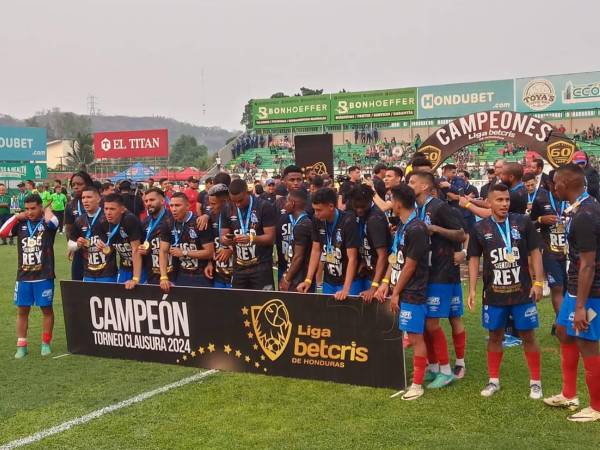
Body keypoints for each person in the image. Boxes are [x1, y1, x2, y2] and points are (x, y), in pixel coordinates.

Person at [467, 183, 544, 399]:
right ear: (489, 202)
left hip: (523, 292)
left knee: (528, 335)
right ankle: (493, 381)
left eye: (507, 200)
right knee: (495, 336)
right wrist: (472, 289)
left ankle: (536, 382)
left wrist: (538, 282)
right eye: (499, 200)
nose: (504, 204)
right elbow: (474, 259)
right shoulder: (480, 228)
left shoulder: (523, 222)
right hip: (494, 294)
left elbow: (535, 252)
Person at [545, 163, 600, 422]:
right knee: (564, 333)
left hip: (590, 292)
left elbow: (589, 263)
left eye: (555, 182)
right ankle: (569, 394)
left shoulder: (586, 214)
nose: (553, 186)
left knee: (587, 343)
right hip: (575, 286)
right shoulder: (580, 208)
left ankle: (597, 407)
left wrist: (580, 306)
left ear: (564, 184)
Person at [409, 171, 467, 385]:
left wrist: (435, 228)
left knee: (434, 322)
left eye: (412, 182)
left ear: (424, 187)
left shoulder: (439, 207)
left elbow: (461, 234)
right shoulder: (416, 208)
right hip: (428, 272)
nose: (409, 184)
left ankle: (448, 368)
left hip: (443, 272)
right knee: (426, 323)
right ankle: (434, 367)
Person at [377, 184, 430, 401]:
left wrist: (396, 292)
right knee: (409, 334)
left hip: (413, 290)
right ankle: (413, 377)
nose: (390, 204)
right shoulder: (403, 225)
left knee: (416, 337)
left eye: (391, 200)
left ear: (398, 204)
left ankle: (417, 384)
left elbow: (410, 265)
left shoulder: (417, 228)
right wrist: (385, 282)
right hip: (402, 287)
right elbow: (395, 258)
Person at [0, 194, 58, 358]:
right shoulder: (22, 223)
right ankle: (21, 345)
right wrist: (17, 216)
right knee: (22, 310)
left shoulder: (47, 223)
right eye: (27, 209)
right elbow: (2, 233)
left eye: (33, 208)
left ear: (40, 207)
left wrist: (47, 211)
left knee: (46, 309)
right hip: (24, 276)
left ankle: (45, 343)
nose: (30, 212)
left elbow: (53, 222)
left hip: (44, 275)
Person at [297, 188, 360, 299]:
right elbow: (316, 250)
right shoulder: (317, 220)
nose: (316, 214)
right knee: (329, 315)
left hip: (349, 281)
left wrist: (346, 289)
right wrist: (308, 280)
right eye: (314, 210)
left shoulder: (348, 220)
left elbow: (352, 258)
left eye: (319, 210)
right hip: (329, 281)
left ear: (331, 206)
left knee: (348, 314)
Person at [220, 179, 277, 290]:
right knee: (239, 305)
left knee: (264, 303)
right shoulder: (227, 208)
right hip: (239, 267)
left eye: (240, 200)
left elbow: (271, 238)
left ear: (247, 192)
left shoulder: (264, 206)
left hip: (261, 267)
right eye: (234, 201)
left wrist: (251, 238)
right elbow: (223, 236)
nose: (237, 204)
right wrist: (226, 240)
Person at [159, 193, 214, 290]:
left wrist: (184, 252)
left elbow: (209, 252)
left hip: (201, 274)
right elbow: (163, 251)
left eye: (177, 205)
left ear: (187, 206)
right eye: (171, 206)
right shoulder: (167, 223)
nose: (174, 209)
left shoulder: (199, 222)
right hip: (180, 274)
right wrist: (163, 277)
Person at [347, 184, 390, 302]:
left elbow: (383, 256)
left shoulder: (375, 220)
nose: (359, 210)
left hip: (378, 276)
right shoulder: (358, 215)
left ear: (370, 201)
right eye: (356, 206)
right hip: (367, 272)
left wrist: (374, 287)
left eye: (362, 206)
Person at [68, 186, 118, 282]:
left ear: (99, 199)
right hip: (88, 274)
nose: (85, 200)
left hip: (107, 273)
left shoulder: (108, 217)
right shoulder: (79, 220)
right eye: (83, 198)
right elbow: (70, 244)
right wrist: (77, 244)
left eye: (89, 197)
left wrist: (108, 247)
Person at [98, 193, 144, 288]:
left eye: (112, 209)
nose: (108, 212)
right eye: (106, 209)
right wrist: (105, 249)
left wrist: (135, 278)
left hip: (142, 267)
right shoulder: (104, 223)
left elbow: (136, 249)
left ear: (123, 209)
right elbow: (111, 250)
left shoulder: (129, 220)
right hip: (124, 267)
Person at [277, 189, 314, 292]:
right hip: (296, 276)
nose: (285, 204)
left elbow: (298, 257)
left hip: (299, 279)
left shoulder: (303, 225)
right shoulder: (299, 222)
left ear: (292, 203)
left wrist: (287, 279)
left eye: (287, 201)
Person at [139, 188, 174, 285]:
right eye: (146, 201)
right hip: (152, 273)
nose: (148, 203)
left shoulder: (172, 218)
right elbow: (142, 244)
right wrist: (143, 249)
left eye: (152, 200)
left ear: (163, 201)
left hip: (173, 274)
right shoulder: (145, 222)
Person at [64, 171, 94, 280]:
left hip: (98, 249)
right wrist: (71, 245)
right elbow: (69, 229)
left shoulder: (99, 202)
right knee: (78, 283)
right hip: (79, 249)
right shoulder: (70, 205)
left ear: (88, 184)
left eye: (79, 184)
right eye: (73, 185)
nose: (76, 187)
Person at [205, 184, 234, 288]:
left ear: (225, 201)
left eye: (213, 203)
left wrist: (231, 249)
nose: (210, 206)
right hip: (218, 273)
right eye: (209, 203)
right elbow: (208, 244)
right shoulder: (209, 218)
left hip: (235, 272)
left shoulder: (235, 217)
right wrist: (209, 263)